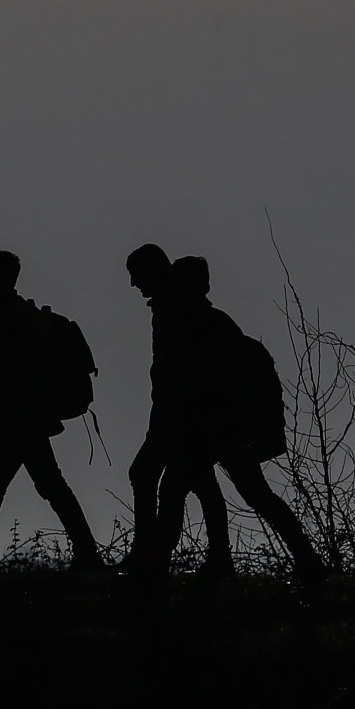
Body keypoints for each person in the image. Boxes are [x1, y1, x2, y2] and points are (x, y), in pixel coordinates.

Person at [141, 255, 326, 580]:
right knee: (249, 493)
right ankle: (298, 560)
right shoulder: (210, 321)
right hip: (218, 426)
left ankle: (162, 566)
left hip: (213, 426)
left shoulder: (201, 324)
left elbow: (201, 380)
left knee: (179, 489)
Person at [0, 250, 107, 570]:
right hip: (25, 420)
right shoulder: (16, 316)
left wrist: (2, 419)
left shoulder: (7, 320)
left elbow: (6, 379)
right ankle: (87, 554)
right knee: (41, 487)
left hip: (19, 421)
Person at [117, 244, 231, 573]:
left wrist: (169, 419)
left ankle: (152, 556)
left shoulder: (175, 310)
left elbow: (178, 373)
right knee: (194, 482)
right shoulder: (170, 306)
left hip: (182, 417)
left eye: (136, 276)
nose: (133, 284)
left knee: (159, 479)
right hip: (179, 416)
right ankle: (201, 557)